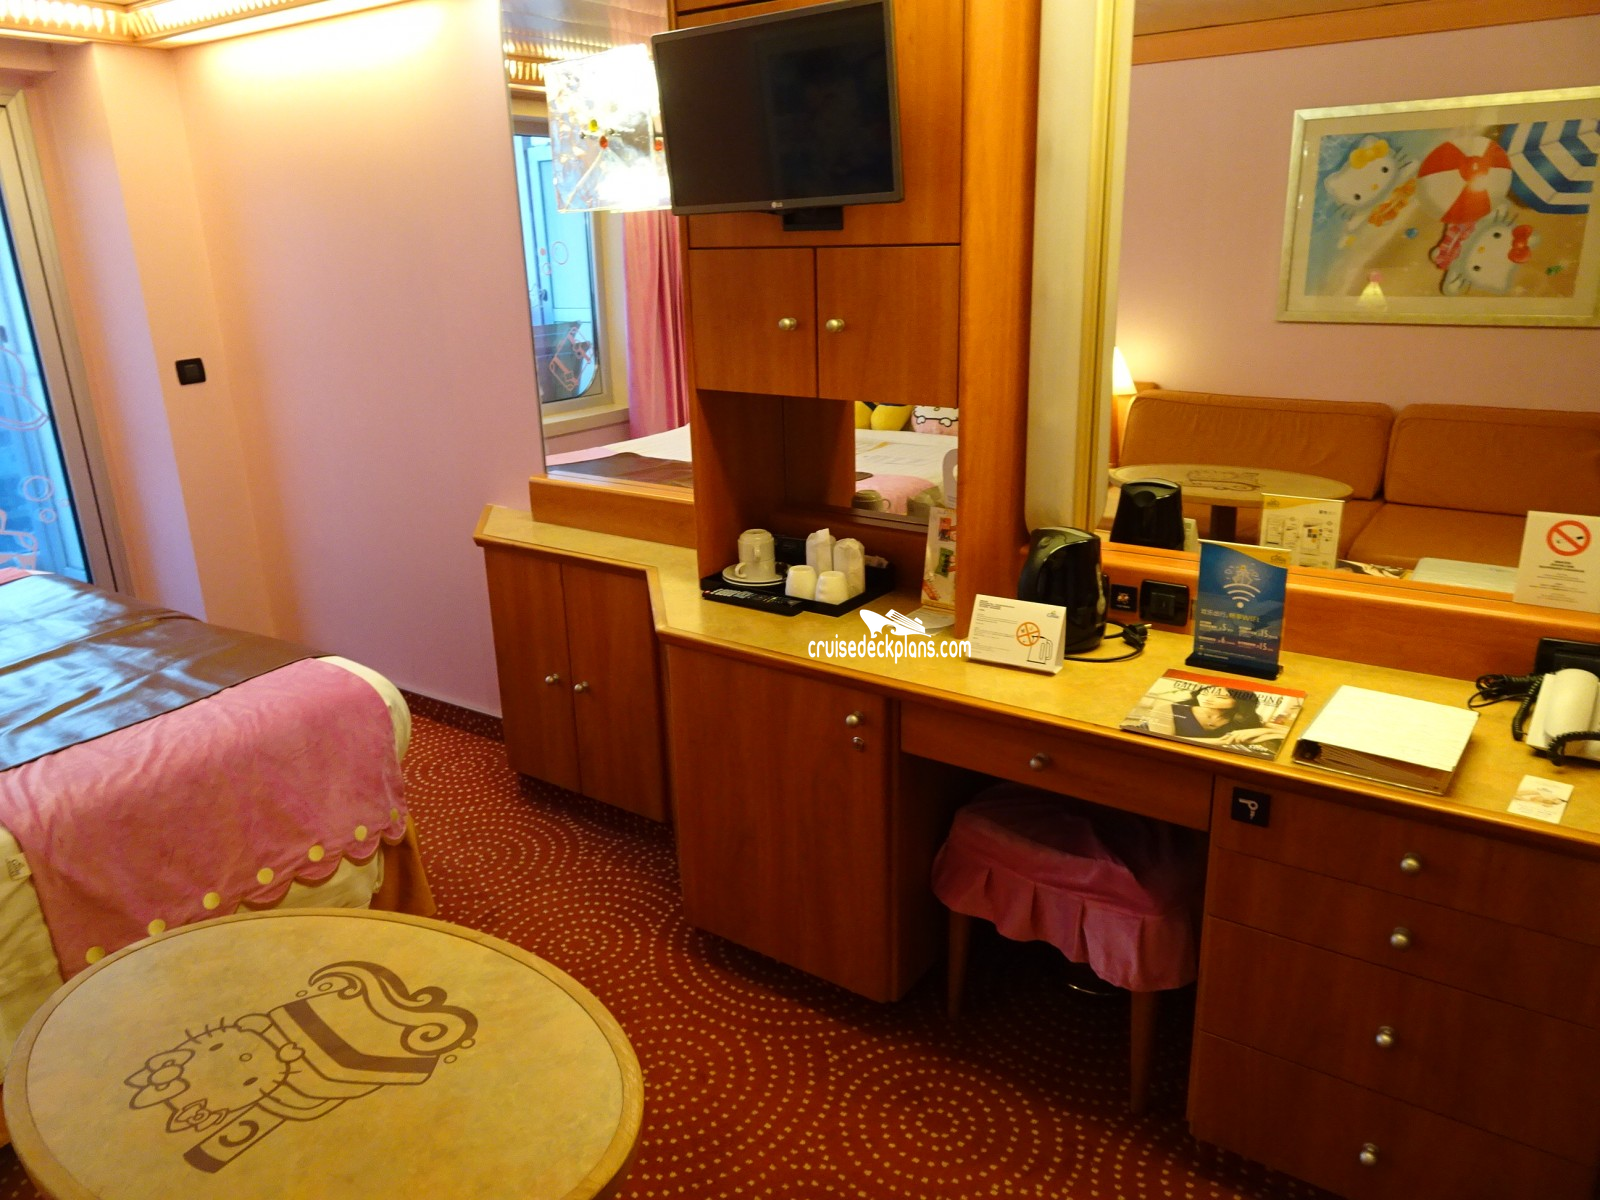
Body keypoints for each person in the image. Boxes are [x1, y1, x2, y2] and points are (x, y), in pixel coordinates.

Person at [1169, 686, 1283, 750]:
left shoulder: (1244, 720)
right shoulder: (1173, 709)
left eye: (1221, 697)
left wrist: (1265, 730)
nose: (1207, 699)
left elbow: (1283, 736)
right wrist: (1220, 741)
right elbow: (1166, 740)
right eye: (1203, 693)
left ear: (1240, 702)